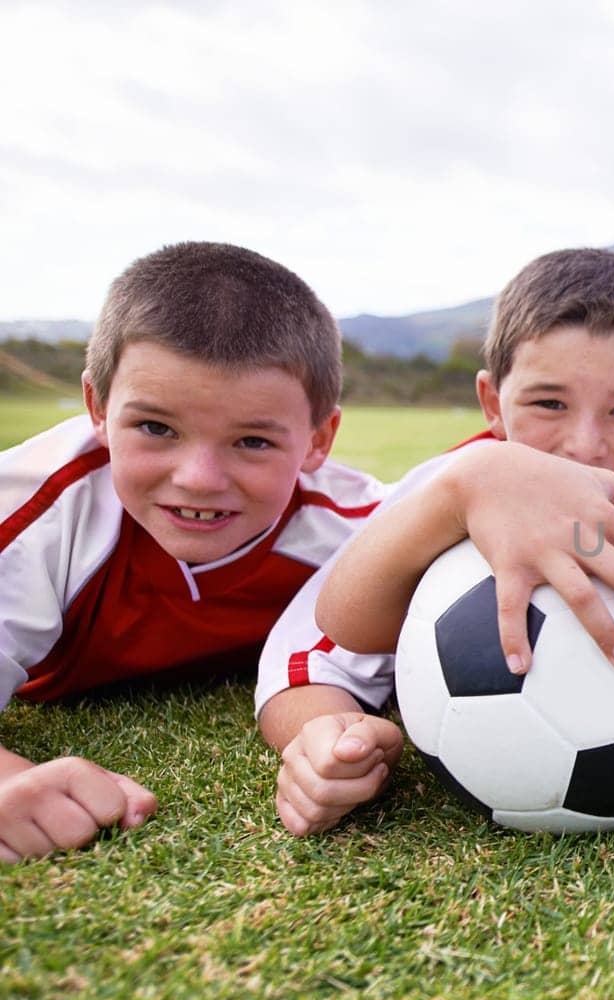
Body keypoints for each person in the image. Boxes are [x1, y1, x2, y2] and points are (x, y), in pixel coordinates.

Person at [256, 248, 614, 837]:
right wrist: (330, 734)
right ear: (494, 403)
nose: (582, 446)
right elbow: (308, 657)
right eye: (549, 403)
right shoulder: (436, 502)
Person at [0, 241, 386, 861]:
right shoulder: (38, 510)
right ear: (97, 407)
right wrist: (11, 781)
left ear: (319, 440)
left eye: (253, 441)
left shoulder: (360, 527)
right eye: (156, 428)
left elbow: (449, 507)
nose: (200, 477)